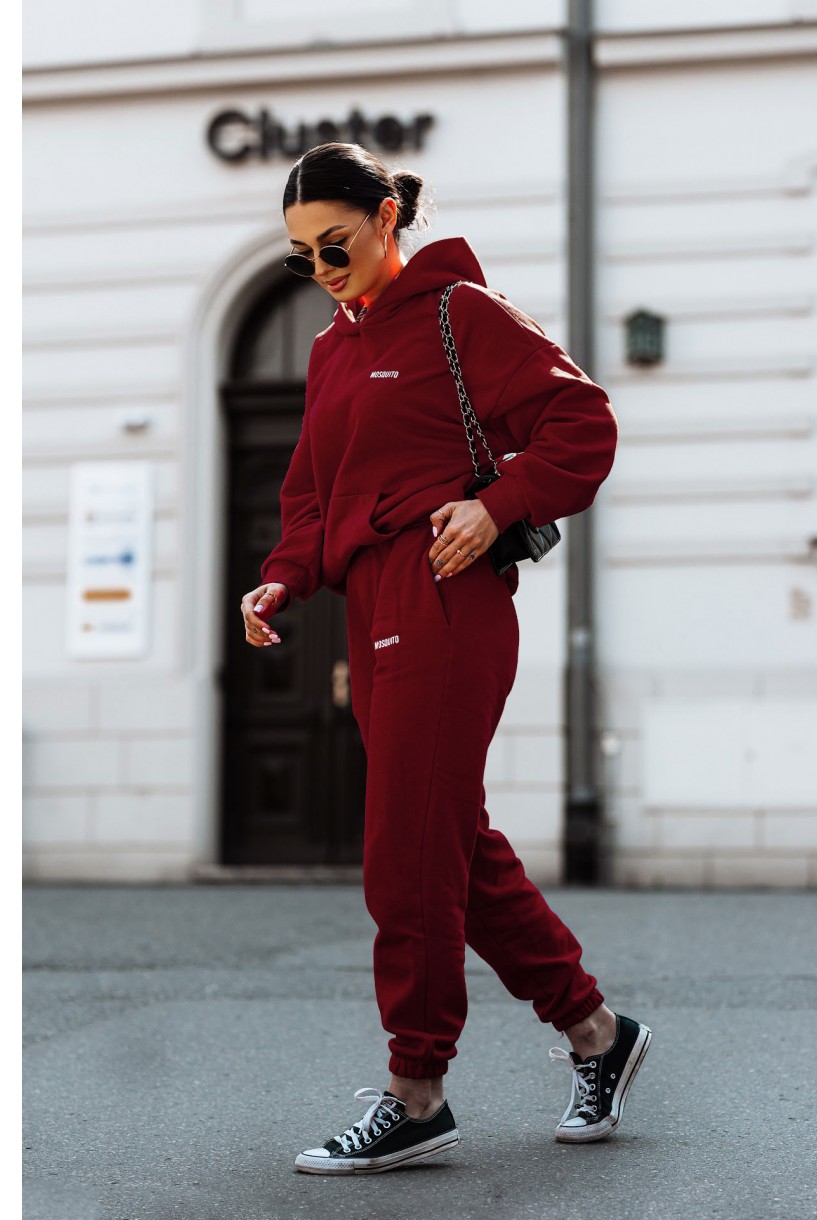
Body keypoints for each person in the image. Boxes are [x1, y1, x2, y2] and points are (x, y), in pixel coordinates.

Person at [240, 142, 651, 1176]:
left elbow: (582, 421)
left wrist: (496, 504)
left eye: (334, 245)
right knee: (447, 840)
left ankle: (417, 1090)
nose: (321, 269)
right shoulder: (332, 349)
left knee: (406, 849)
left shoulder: (460, 313)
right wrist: (282, 577)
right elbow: (312, 492)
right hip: (370, 604)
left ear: (387, 218)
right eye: (301, 257)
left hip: (445, 593)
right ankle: (597, 1031)